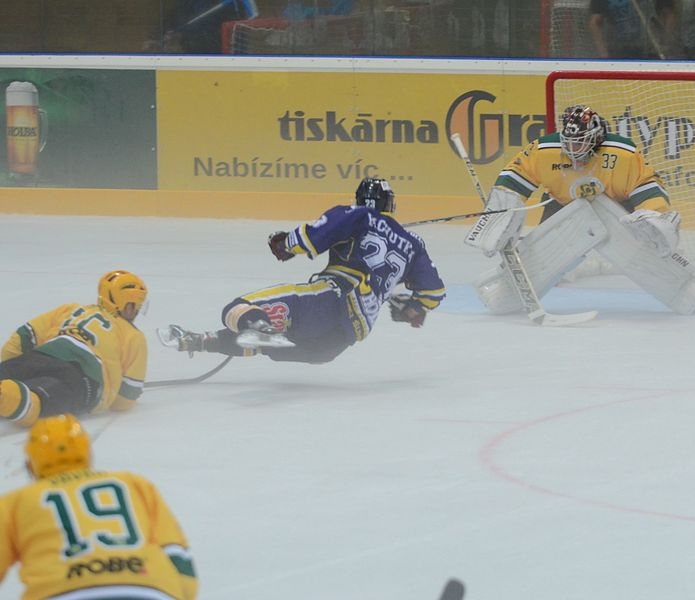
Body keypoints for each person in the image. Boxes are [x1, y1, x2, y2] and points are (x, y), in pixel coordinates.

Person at [159, 177, 446, 363]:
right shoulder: (413, 243)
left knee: (238, 309)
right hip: (343, 338)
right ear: (389, 204)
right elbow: (433, 293)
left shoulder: (360, 215)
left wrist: (285, 244)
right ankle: (202, 341)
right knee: (274, 340)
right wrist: (412, 308)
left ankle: (258, 327)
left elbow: (314, 236)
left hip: (331, 300)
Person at [465, 104, 695, 316]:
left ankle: (690, 290)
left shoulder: (621, 153)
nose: (573, 151)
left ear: (596, 137)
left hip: (617, 208)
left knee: (645, 249)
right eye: (569, 144)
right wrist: (501, 214)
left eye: (580, 143)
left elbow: (646, 184)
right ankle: (503, 296)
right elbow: (514, 178)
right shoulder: (543, 150)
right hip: (563, 205)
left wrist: (652, 213)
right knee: (542, 255)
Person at [0, 413, 198, 600]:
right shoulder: (134, 484)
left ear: (31, 462)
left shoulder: (15, 502)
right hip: (150, 591)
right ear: (87, 451)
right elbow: (179, 560)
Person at [0, 270, 148, 428]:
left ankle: (8, 389)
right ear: (124, 304)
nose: (136, 311)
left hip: (45, 354)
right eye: (134, 305)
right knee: (38, 399)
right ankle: (8, 397)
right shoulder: (133, 335)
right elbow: (125, 399)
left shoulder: (72, 309)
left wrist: (13, 366)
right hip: (84, 377)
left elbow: (24, 335)